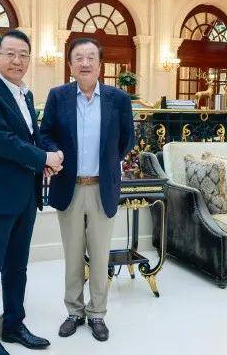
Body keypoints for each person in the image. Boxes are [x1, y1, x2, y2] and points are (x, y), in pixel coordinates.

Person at [0, 29, 63, 355]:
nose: (17, 60)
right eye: (10, 53)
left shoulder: (25, 93)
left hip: (24, 196)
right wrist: (43, 158)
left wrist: (42, 162)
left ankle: (13, 325)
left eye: (23, 55)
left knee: (17, 267)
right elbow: (2, 142)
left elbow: (28, 138)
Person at [39, 37, 135, 342]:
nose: (85, 63)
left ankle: (97, 314)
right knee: (72, 255)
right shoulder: (58, 96)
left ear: (100, 64)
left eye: (91, 57)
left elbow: (127, 139)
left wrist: (108, 163)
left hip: (102, 188)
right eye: (78, 57)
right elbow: (45, 134)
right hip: (69, 186)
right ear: (70, 65)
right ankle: (74, 311)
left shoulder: (118, 99)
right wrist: (54, 153)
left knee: (100, 255)